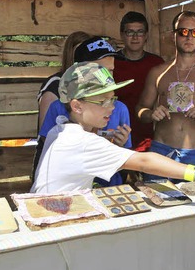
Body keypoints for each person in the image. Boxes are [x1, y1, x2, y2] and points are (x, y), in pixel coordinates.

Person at [31, 62, 195, 194]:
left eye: (112, 99)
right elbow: (143, 160)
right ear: (76, 106)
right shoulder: (84, 142)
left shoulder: (59, 130)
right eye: (102, 102)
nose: (112, 108)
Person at [136, 11, 195, 181]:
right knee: (157, 202)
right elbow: (140, 109)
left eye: (194, 32)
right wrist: (150, 114)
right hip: (161, 151)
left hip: (194, 155)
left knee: (194, 205)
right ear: (173, 36)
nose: (189, 37)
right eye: (183, 32)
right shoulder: (158, 73)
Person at [33, 36, 132, 186]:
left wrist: (121, 143)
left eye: (110, 70)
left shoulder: (120, 108)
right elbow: (50, 145)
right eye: (99, 70)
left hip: (108, 186)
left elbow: (127, 153)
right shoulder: (58, 106)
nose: (106, 77)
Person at [113, 11, 165, 150]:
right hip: (116, 133)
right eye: (130, 32)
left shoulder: (157, 64)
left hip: (149, 134)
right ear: (122, 35)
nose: (135, 37)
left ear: (146, 35)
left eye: (140, 32)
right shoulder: (111, 63)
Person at [37, 31, 91, 131]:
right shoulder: (54, 84)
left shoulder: (92, 84)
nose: (85, 57)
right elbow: (45, 133)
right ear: (70, 54)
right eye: (80, 52)